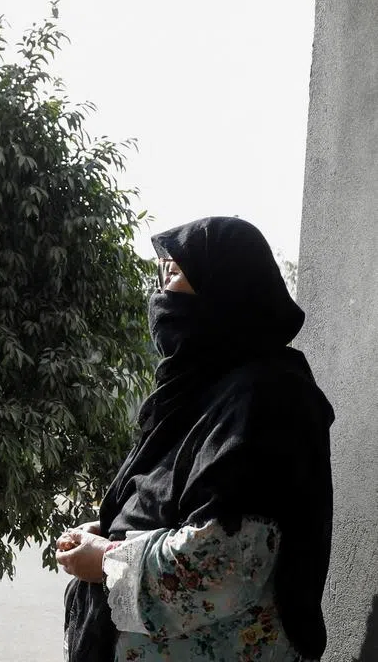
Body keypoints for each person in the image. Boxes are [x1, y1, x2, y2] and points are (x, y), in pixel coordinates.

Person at [57, 217, 334, 662]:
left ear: (225, 286)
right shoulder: (202, 390)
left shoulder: (269, 398)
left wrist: (107, 558)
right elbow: (164, 496)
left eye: (177, 275)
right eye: (161, 273)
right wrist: (111, 529)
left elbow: (227, 564)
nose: (162, 293)